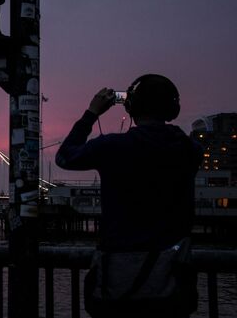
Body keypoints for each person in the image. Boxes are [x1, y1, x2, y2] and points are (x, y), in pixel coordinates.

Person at [55, 74, 203, 317]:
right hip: (172, 287)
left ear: (131, 107)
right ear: (172, 109)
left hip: (118, 285)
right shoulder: (190, 150)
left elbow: (64, 157)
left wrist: (91, 113)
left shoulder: (111, 147)